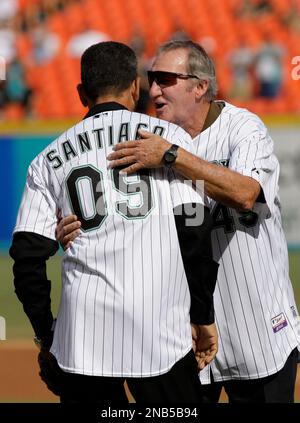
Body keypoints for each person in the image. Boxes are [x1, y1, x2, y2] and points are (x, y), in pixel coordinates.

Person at [9, 41, 218, 404]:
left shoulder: (46, 160)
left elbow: (27, 257)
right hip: (160, 337)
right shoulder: (169, 140)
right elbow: (196, 231)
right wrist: (201, 314)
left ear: (80, 93)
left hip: (82, 342)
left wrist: (47, 335)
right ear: (136, 86)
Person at [103, 40, 300, 403]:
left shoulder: (242, 128)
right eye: (151, 79)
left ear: (200, 86)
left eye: (166, 79)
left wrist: (172, 157)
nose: (155, 89)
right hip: (187, 337)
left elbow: (246, 194)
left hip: (257, 331)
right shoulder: (149, 139)